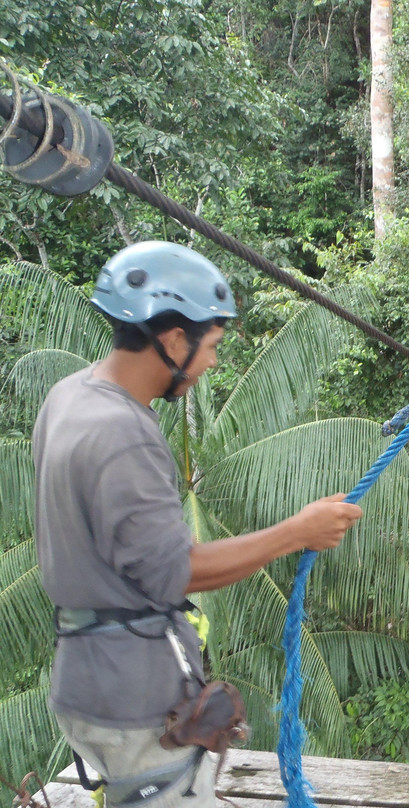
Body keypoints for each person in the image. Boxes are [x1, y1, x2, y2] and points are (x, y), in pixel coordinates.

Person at [33, 241, 364, 808]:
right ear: (173, 340)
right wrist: (297, 532)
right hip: (134, 706)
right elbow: (174, 572)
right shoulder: (122, 433)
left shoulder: (69, 397)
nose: (212, 362)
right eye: (210, 346)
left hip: (86, 684)